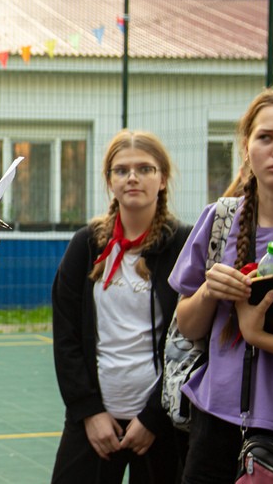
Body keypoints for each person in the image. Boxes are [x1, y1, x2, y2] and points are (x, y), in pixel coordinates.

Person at [51, 129, 192, 483]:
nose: (133, 177)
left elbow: (191, 343)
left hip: (159, 423)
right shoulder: (86, 245)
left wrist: (154, 417)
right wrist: (89, 411)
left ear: (162, 179)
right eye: (121, 170)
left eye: (145, 169)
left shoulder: (183, 244)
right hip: (96, 421)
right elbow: (66, 335)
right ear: (109, 181)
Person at [170, 87, 273, 484]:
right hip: (214, 422)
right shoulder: (220, 219)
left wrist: (258, 336)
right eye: (266, 137)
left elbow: (255, 334)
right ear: (246, 148)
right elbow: (187, 327)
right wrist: (209, 291)